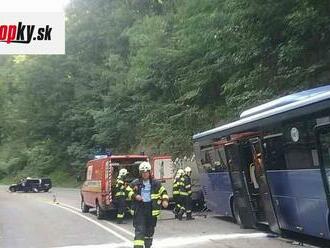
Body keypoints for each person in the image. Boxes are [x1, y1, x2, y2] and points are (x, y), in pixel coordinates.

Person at [130, 161, 169, 248]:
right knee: (140, 230)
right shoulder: (135, 183)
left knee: (149, 231)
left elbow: (164, 192)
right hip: (140, 209)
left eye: (146, 172)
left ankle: (148, 245)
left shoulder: (156, 183)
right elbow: (127, 191)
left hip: (151, 210)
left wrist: (165, 200)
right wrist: (135, 196)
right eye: (143, 172)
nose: (145, 174)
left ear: (149, 172)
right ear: (140, 173)